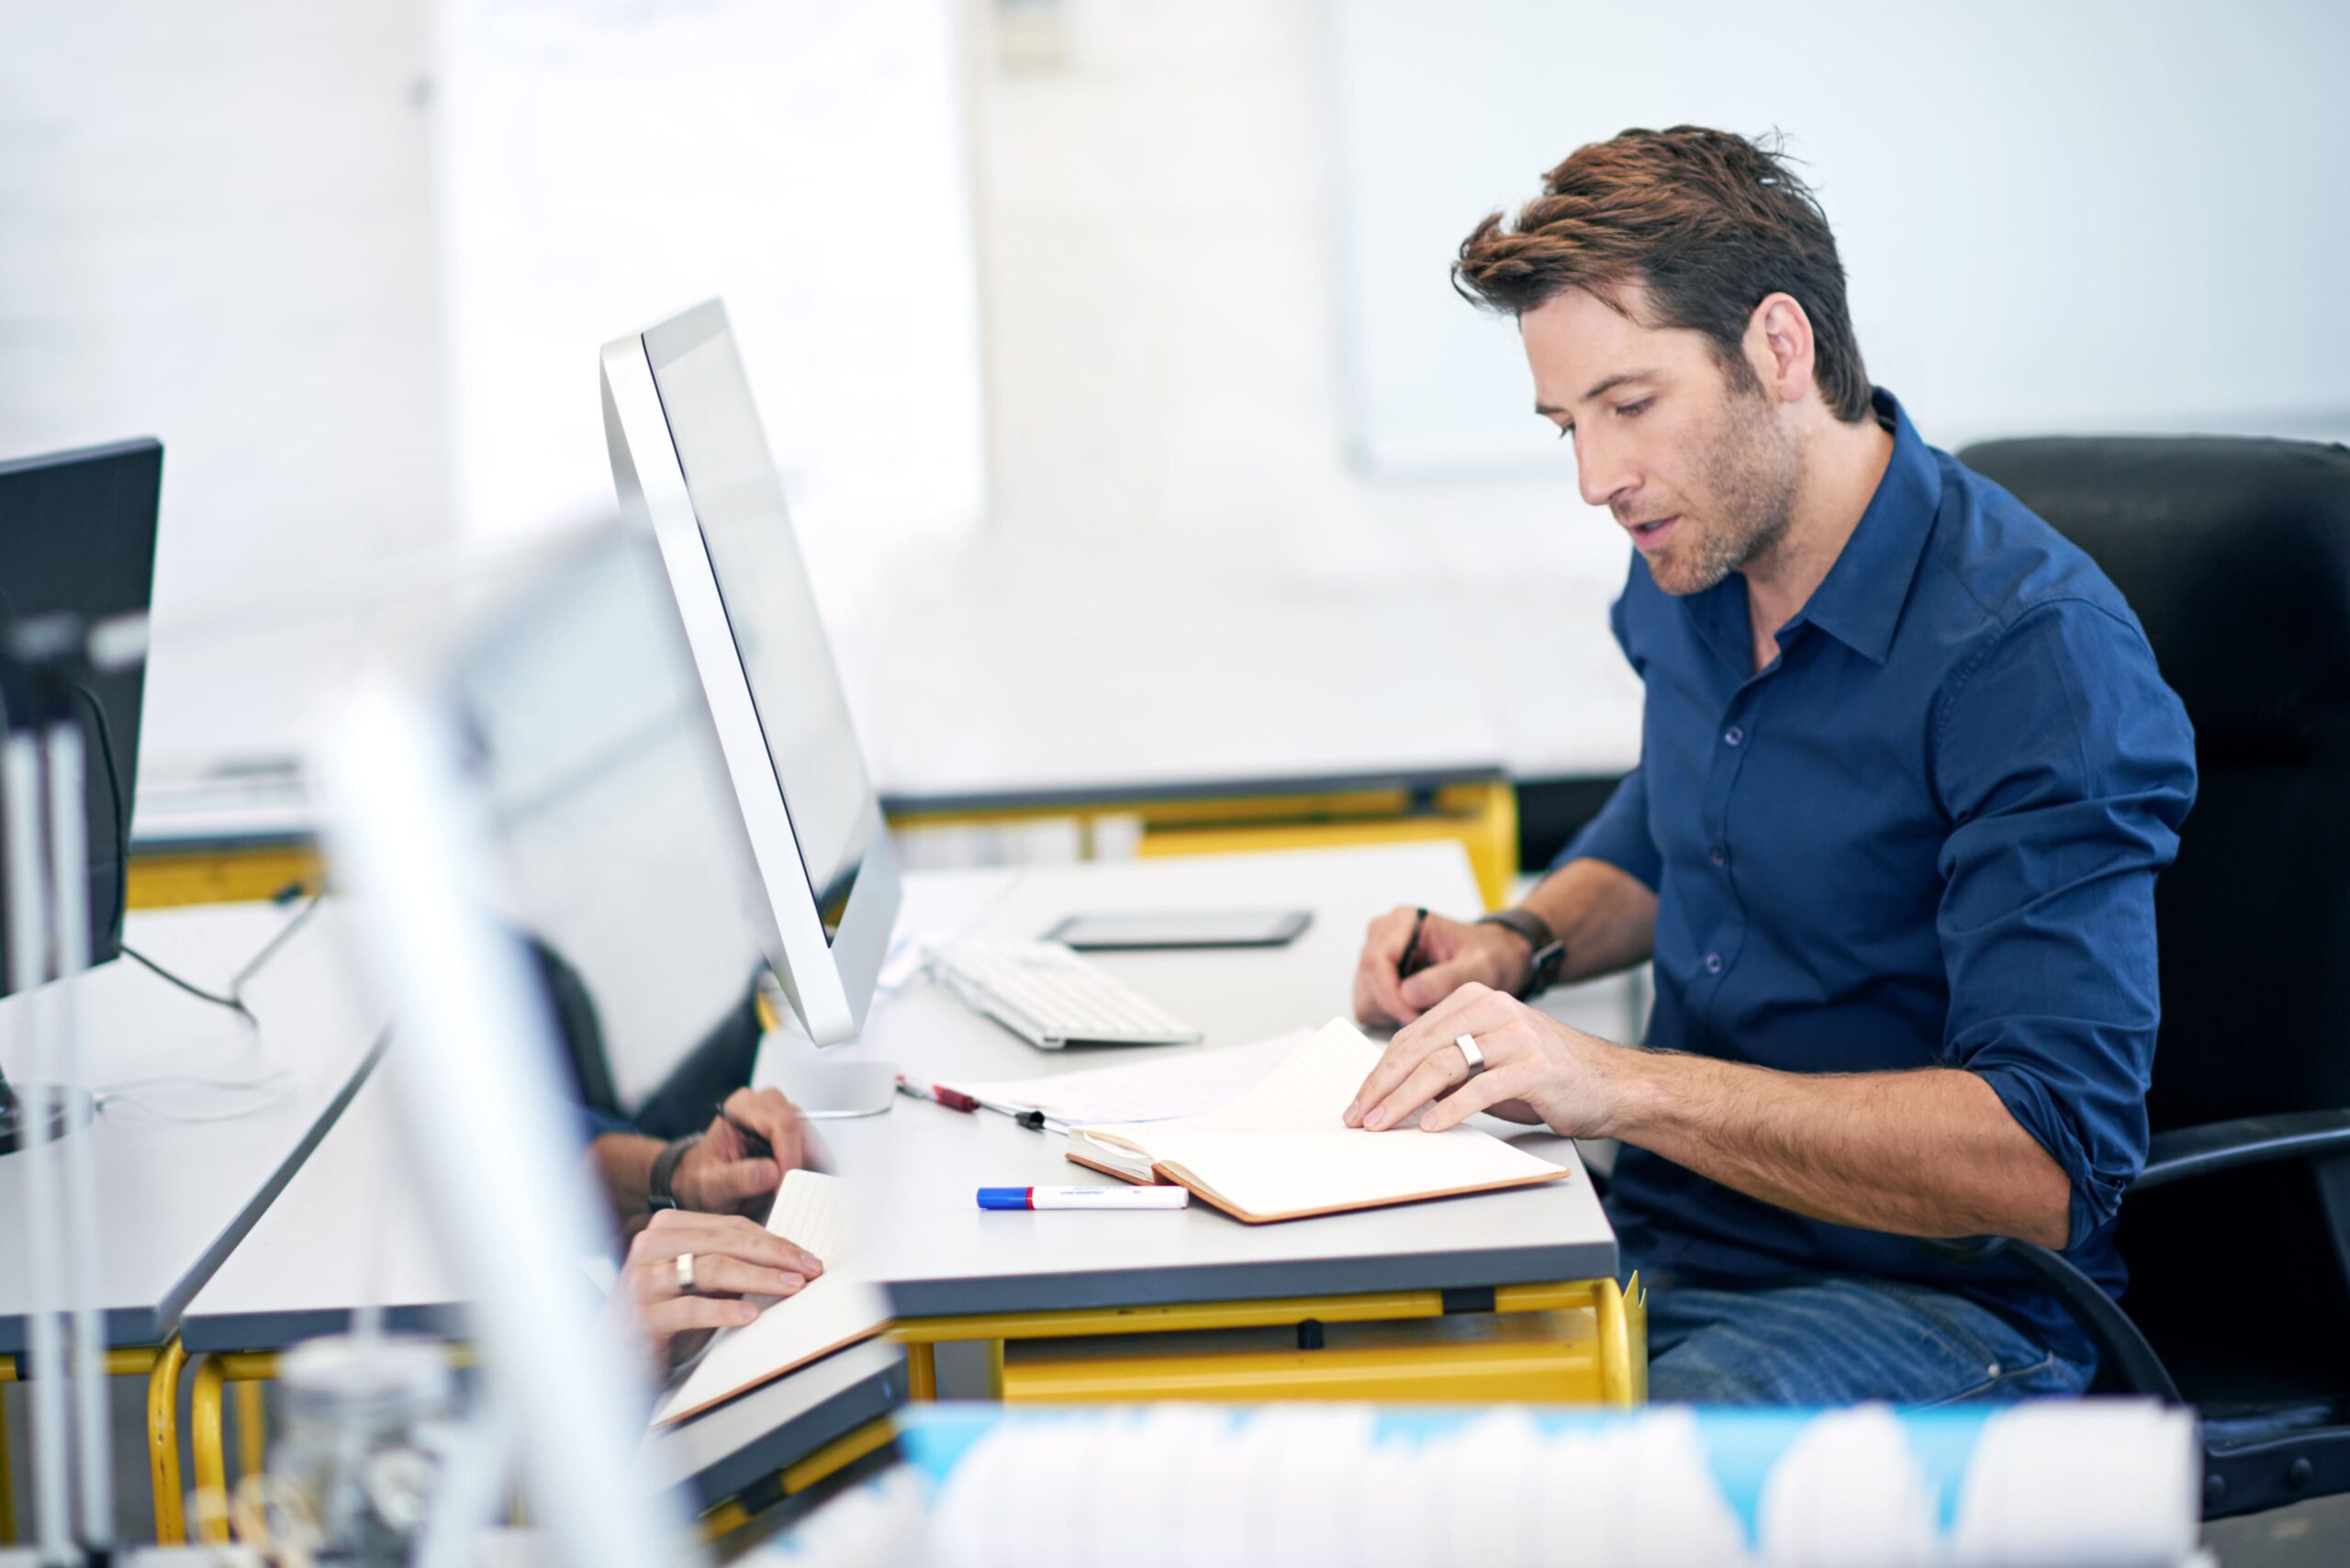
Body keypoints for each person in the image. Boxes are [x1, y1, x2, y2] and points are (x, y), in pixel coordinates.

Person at [1346, 127, 2196, 1405]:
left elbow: (2043, 1164)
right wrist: (1519, 941)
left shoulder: (2030, 658)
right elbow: (1682, 816)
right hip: (1662, 1241)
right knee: (1329, 1387)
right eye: (1565, 425)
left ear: (1779, 350)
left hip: (1929, 1301)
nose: (1595, 479)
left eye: (1629, 406)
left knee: (1571, 1507)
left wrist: (1615, 1085)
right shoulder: (1691, 557)